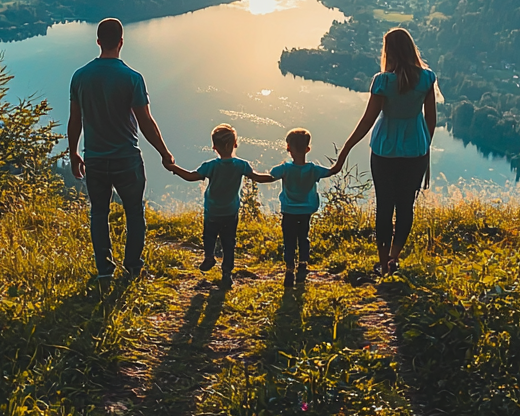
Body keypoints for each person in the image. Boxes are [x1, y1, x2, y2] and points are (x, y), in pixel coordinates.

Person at [68, 18, 175, 280]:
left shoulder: (80, 77)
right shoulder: (132, 78)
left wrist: (73, 153)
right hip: (127, 159)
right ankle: (133, 267)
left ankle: (104, 271)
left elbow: (75, 120)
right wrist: (164, 153)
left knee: (99, 213)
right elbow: (145, 122)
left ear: (98, 42)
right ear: (121, 42)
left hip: (95, 159)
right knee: (134, 213)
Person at [334, 28, 436, 276]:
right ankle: (393, 257)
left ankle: (382, 263)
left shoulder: (382, 82)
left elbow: (368, 120)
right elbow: (431, 119)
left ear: (389, 51)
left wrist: (345, 149)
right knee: (406, 206)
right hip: (416, 150)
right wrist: (425, 145)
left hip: (384, 150)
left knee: (384, 206)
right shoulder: (426, 79)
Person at [168, 123, 272, 287]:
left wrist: (173, 168)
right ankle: (227, 274)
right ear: (235, 144)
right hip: (230, 212)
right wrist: (277, 176)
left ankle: (209, 256)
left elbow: (190, 176)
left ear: (214, 147)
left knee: (209, 236)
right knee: (229, 243)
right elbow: (257, 177)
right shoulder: (241, 165)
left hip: (212, 211)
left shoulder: (210, 166)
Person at [269, 127, 342, 287]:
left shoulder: (285, 169)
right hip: (305, 211)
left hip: (289, 211)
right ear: (308, 149)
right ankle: (303, 264)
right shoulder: (314, 170)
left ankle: (289, 269)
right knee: (303, 237)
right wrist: (344, 153)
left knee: (289, 240)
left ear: (288, 148)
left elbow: (272, 173)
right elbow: (333, 170)